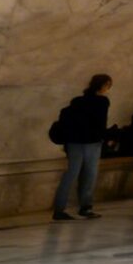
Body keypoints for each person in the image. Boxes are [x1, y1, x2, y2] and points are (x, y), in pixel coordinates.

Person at [52, 74, 111, 221]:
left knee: (70, 175)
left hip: (74, 142)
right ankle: (85, 207)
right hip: (92, 142)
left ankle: (59, 209)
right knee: (89, 175)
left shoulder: (77, 101)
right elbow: (100, 123)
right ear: (103, 85)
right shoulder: (102, 101)